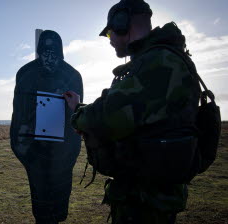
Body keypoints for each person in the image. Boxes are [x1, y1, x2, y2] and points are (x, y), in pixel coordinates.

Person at [63, 0, 201, 223]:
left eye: (109, 35)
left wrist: (78, 116)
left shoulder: (158, 62)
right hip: (152, 192)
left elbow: (107, 117)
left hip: (146, 198)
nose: (110, 42)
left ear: (121, 24)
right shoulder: (164, 59)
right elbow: (132, 109)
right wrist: (80, 106)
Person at [10, 30, 83, 223]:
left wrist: (68, 154)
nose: (49, 57)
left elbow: (75, 120)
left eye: (54, 51)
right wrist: (26, 153)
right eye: (45, 51)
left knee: (58, 206)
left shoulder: (72, 76)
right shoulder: (26, 74)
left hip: (61, 154)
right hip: (36, 155)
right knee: (41, 206)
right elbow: (20, 117)